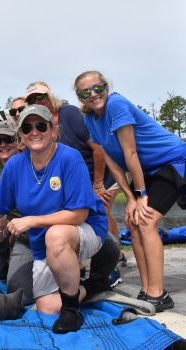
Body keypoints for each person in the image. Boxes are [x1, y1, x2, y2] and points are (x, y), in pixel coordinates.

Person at [0, 105, 110, 334]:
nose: (34, 132)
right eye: (27, 127)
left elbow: (79, 214)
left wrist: (32, 221)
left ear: (53, 130)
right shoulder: (15, 165)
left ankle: (72, 311)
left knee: (55, 234)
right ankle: (95, 284)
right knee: (47, 307)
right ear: (22, 135)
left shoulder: (70, 158)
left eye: (40, 126)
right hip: (42, 240)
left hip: (84, 229)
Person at [74, 70, 186, 312]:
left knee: (146, 221)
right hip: (146, 170)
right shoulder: (89, 119)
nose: (94, 94)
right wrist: (130, 196)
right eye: (86, 92)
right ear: (80, 98)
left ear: (106, 86)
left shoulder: (117, 104)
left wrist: (141, 195)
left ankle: (159, 294)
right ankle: (147, 290)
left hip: (172, 160)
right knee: (133, 221)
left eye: (98, 87)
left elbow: (130, 153)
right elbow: (111, 159)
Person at [25, 81, 125, 287]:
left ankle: (110, 268)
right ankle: (76, 267)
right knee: (72, 222)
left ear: (50, 96)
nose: (38, 101)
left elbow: (97, 148)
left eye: (41, 96)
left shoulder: (68, 114)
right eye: (32, 100)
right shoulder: (36, 127)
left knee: (100, 212)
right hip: (76, 179)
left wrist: (97, 184)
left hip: (102, 173)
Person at [0, 120, 34, 304]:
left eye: (8, 139)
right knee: (20, 295)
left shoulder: (34, 161)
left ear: (19, 139)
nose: (3, 144)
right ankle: (2, 265)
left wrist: (3, 214)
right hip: (24, 239)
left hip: (45, 232)